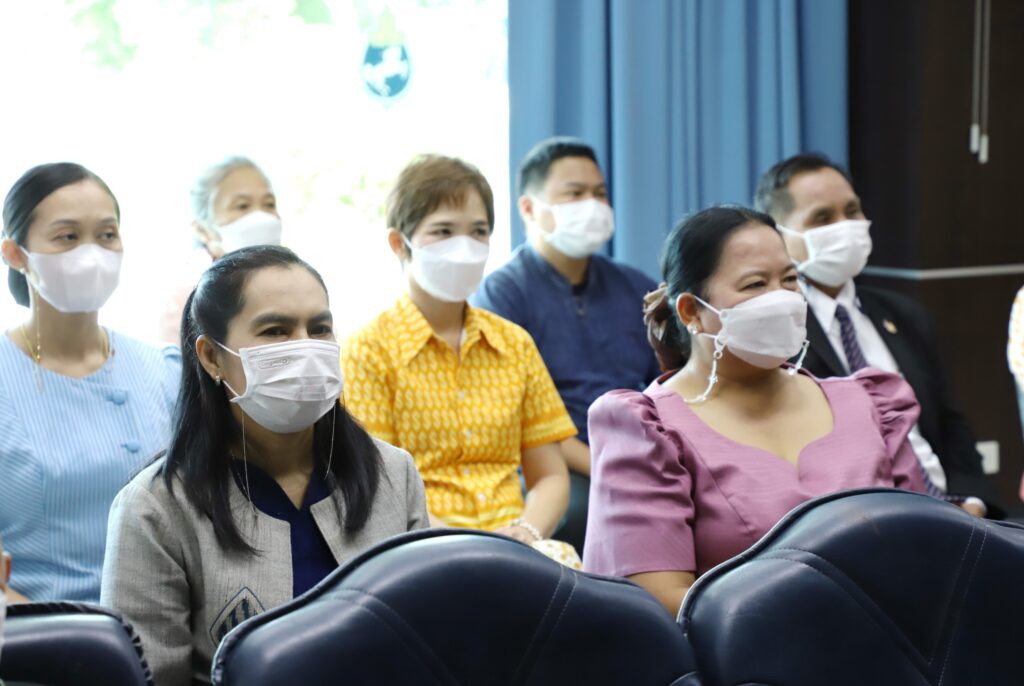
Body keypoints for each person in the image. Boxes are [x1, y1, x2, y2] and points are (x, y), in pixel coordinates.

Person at [102, 245, 428, 686]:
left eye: (319, 328)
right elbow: (147, 676)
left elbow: (426, 641)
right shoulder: (154, 509)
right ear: (211, 357)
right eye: (276, 331)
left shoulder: (393, 473)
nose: (305, 348)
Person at [583, 206, 931, 616]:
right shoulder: (649, 431)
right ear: (692, 311)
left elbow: (927, 548)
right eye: (755, 284)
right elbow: (655, 604)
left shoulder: (869, 403)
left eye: (790, 279)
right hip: (744, 650)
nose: (782, 299)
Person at [342, 155, 575, 545]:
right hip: (418, 550)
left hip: (518, 546)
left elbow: (551, 475)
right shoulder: (367, 352)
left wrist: (525, 532)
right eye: (444, 231)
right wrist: (465, 545)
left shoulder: (515, 344)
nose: (464, 247)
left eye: (478, 231)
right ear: (399, 243)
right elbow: (378, 487)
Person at [754, 153, 990, 516]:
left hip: (953, 512)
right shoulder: (774, 332)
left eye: (852, 211)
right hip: (857, 521)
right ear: (779, 235)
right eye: (823, 218)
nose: (846, 226)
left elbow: (950, 424)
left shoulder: (904, 314)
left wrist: (974, 502)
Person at [0, 163, 180, 603]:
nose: (92, 253)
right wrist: (56, 632)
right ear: (16, 254)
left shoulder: (164, 370)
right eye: (68, 237)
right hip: (39, 629)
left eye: (106, 235)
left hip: (170, 620)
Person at [471, 138, 659, 550]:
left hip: (641, 454)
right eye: (575, 194)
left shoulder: (636, 288)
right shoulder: (503, 294)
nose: (592, 205)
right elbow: (518, 419)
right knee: (583, 512)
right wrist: (605, 466)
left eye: (599, 193)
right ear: (529, 208)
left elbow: (670, 385)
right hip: (556, 464)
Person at [160, 156, 282, 343]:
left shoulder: (299, 285)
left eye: (269, 204)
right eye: (242, 206)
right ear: (201, 229)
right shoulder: (186, 301)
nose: (261, 216)